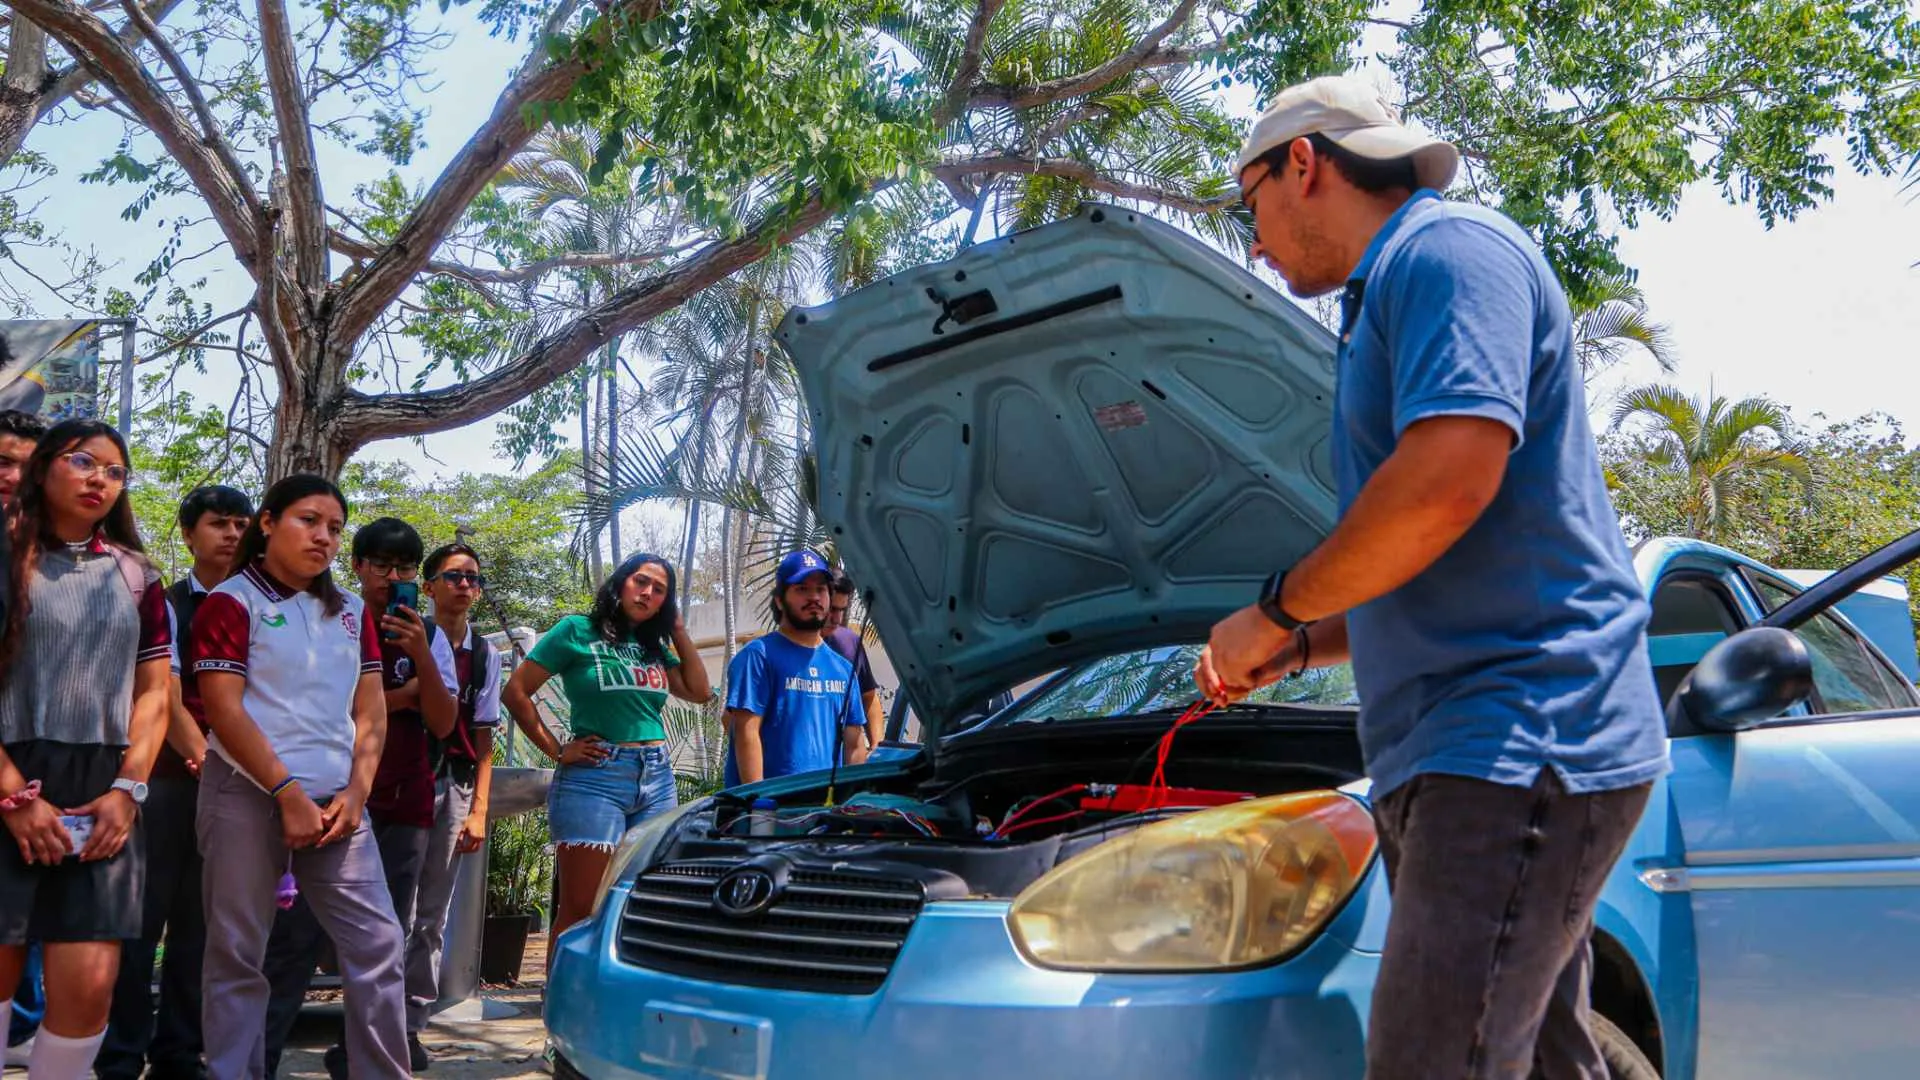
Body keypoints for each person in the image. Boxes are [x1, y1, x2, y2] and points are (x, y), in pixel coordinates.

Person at [1196, 75, 1667, 1080]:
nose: (1257, 239)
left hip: (1520, 735)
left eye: (1252, 207)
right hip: (1470, 746)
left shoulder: (1450, 250)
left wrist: (1275, 607)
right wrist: (1300, 644)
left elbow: (1444, 487)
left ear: (1305, 163)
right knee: (1538, 1062)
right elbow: (1433, 561)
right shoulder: (1389, 294)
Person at [191, 475, 409, 1079]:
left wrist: (357, 793)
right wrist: (285, 792)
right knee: (237, 954)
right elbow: (223, 709)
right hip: (246, 794)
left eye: (335, 528)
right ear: (267, 523)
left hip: (341, 805)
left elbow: (371, 712)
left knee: (379, 947)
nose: (324, 537)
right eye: (308, 521)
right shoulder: (231, 602)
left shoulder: (350, 615)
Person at [0, 419, 172, 1080]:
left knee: (88, 994)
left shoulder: (136, 575)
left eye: (114, 470)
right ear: (44, 468)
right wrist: (12, 796)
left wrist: (128, 792)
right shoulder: (4, 554)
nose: (100, 477)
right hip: (9, 782)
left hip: (106, 795)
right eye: (82, 461)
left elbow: (154, 694)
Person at [258, 515, 456, 1077]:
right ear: (358, 565)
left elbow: (443, 722)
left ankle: (360, 1060)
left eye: (406, 569)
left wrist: (419, 659)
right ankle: (260, 1058)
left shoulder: (431, 634)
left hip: (405, 803)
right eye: (382, 566)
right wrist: (401, 699)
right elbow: (327, 711)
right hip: (322, 797)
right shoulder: (330, 618)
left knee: (383, 942)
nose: (392, 579)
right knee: (292, 938)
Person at [98, 484, 251, 1080]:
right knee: (137, 925)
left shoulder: (260, 605)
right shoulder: (163, 599)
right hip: (162, 781)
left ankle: (179, 1054)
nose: (232, 535)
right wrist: (206, 759)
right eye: (218, 524)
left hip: (239, 783)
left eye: (241, 525)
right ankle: (119, 1054)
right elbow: (160, 693)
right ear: (188, 534)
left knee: (202, 929)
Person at [503, 552, 710, 962]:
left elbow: (699, 692)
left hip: (655, 776)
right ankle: (561, 1007)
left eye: (660, 590)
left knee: (640, 902)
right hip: (595, 777)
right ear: (619, 584)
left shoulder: (652, 647)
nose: (648, 593)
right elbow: (515, 692)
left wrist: (679, 631)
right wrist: (558, 750)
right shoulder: (576, 631)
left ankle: (610, 1004)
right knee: (583, 907)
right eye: (641, 581)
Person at [404, 543, 503, 1053]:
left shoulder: (486, 655)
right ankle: (370, 1018)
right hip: (399, 781)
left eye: (473, 579)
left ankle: (410, 1026)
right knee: (392, 909)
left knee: (431, 916)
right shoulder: (405, 634)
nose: (465, 585)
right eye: (453, 576)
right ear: (428, 586)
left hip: (455, 785)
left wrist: (479, 809)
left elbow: (484, 741)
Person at [723, 551, 868, 787]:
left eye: (821, 589)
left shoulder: (843, 668)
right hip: (769, 812)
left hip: (825, 813)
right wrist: (759, 808)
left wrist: (853, 802)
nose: (814, 597)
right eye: (802, 588)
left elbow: (854, 744)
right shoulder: (758, 656)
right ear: (780, 600)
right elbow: (746, 734)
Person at [0, 408, 44, 1065]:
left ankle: (24, 1026)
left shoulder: (76, 561)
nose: (11, 477)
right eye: (2, 461)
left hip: (43, 772)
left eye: (26, 467)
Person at [826, 570, 885, 750]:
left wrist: (876, 746)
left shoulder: (849, 643)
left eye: (842, 610)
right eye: (832, 609)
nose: (837, 619)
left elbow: (869, 698)